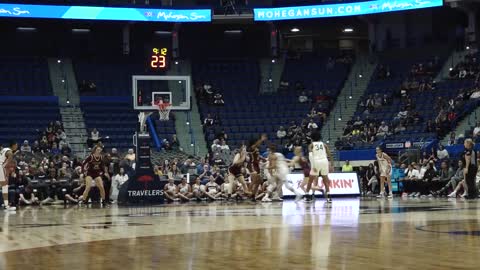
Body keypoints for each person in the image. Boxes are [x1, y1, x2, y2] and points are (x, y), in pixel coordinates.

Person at [305, 131, 332, 203]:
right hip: (324, 161)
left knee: (310, 180)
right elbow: (329, 155)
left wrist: (313, 166)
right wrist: (331, 164)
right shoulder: (324, 144)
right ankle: (329, 197)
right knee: (325, 180)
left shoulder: (311, 145)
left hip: (316, 162)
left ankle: (307, 196)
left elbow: (310, 156)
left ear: (312, 138)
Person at [247, 134, 267, 201]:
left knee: (259, 181)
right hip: (252, 165)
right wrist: (261, 140)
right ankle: (248, 193)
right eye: (256, 142)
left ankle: (253, 195)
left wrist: (263, 158)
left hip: (257, 165)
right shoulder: (252, 147)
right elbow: (256, 145)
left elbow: (258, 156)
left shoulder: (256, 149)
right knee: (254, 180)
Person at [0, 141, 18, 211]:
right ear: (13, 145)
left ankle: (6, 205)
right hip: (1, 168)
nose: (17, 147)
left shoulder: (4, 149)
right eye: (16, 145)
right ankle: (6, 206)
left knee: (3, 186)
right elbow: (7, 163)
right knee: (4, 187)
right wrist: (10, 171)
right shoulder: (10, 152)